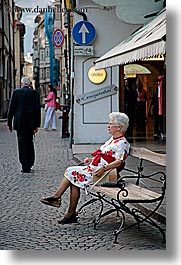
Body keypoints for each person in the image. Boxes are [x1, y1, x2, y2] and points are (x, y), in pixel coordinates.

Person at [40, 112, 130, 224]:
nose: (108, 125)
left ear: (119, 127)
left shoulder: (122, 143)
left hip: (105, 175)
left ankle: (59, 200)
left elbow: (119, 162)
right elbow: (106, 156)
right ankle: (68, 212)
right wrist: (92, 160)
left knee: (71, 171)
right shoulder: (112, 140)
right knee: (73, 177)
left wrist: (104, 168)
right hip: (97, 170)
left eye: (111, 124)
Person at [7, 76, 41, 173]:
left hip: (19, 122)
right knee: (29, 142)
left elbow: (12, 108)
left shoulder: (16, 93)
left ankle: (24, 165)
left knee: (21, 143)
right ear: (29, 84)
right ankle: (30, 163)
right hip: (30, 123)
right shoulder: (34, 93)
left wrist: (9, 122)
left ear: (22, 84)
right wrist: (36, 125)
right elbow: (37, 110)